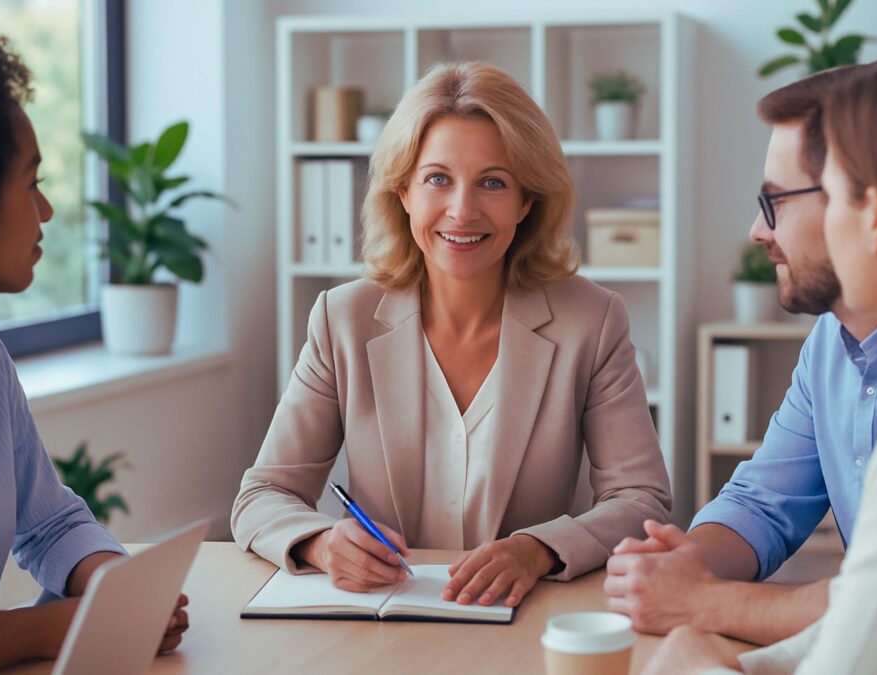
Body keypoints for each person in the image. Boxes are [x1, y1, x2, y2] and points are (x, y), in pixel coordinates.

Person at [231, 61, 671, 608]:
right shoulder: (341, 319)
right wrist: (321, 543)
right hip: (383, 621)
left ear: (526, 202)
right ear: (404, 192)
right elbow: (263, 495)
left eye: (492, 182)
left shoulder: (592, 321)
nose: (462, 211)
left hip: (523, 618)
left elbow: (641, 498)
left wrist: (536, 550)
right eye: (438, 178)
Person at [644, 51, 877, 675]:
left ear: (876, 214)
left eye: (839, 190)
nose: (757, 232)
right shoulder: (834, 346)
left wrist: (694, 652)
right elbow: (870, 610)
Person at [0, 5, 187, 674]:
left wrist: (112, 586)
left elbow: (50, 522)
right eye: (32, 183)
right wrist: (40, 631)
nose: (46, 209)